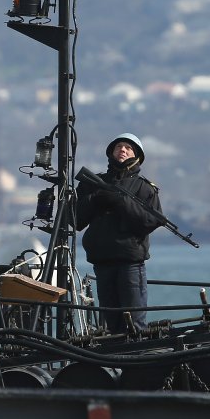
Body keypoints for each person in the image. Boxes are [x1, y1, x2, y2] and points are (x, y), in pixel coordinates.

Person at [75, 132, 162, 333]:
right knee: (112, 325)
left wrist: (121, 201)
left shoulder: (144, 188)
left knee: (135, 325)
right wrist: (95, 198)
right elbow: (77, 220)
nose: (122, 150)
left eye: (128, 147)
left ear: (137, 155)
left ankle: (138, 361)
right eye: (118, 147)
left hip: (130, 263)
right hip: (102, 262)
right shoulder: (93, 183)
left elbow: (150, 221)